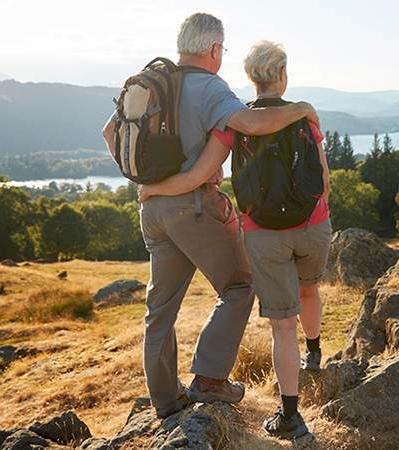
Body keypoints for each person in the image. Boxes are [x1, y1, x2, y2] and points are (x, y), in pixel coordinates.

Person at [101, 13, 320, 419]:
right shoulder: (209, 87)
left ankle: (166, 402)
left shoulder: (152, 82)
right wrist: (301, 109)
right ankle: (209, 379)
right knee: (240, 284)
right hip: (195, 206)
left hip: (151, 208)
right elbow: (251, 123)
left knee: (160, 309)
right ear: (215, 49)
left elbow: (110, 133)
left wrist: (147, 181)